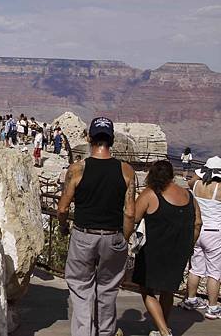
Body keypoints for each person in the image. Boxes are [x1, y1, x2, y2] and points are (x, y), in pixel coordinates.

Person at [57, 117, 135, 336]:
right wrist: (124, 239)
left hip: (83, 235)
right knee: (108, 290)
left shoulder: (77, 170)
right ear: (111, 140)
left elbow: (62, 208)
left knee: (81, 290)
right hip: (113, 236)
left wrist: (63, 227)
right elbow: (130, 212)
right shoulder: (126, 171)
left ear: (89, 138)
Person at [132, 160, 201, 336]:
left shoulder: (150, 194)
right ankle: (162, 326)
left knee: (146, 288)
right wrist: (189, 245)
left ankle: (163, 331)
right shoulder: (189, 196)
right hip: (179, 251)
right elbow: (198, 223)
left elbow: (133, 217)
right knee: (167, 289)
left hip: (153, 251)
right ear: (172, 175)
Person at [181, 156, 221, 320]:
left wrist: (202, 172)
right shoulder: (219, 188)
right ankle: (212, 307)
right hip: (215, 232)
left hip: (197, 229)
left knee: (196, 268)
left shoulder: (196, 184)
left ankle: (191, 300)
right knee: (214, 272)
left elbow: (191, 180)